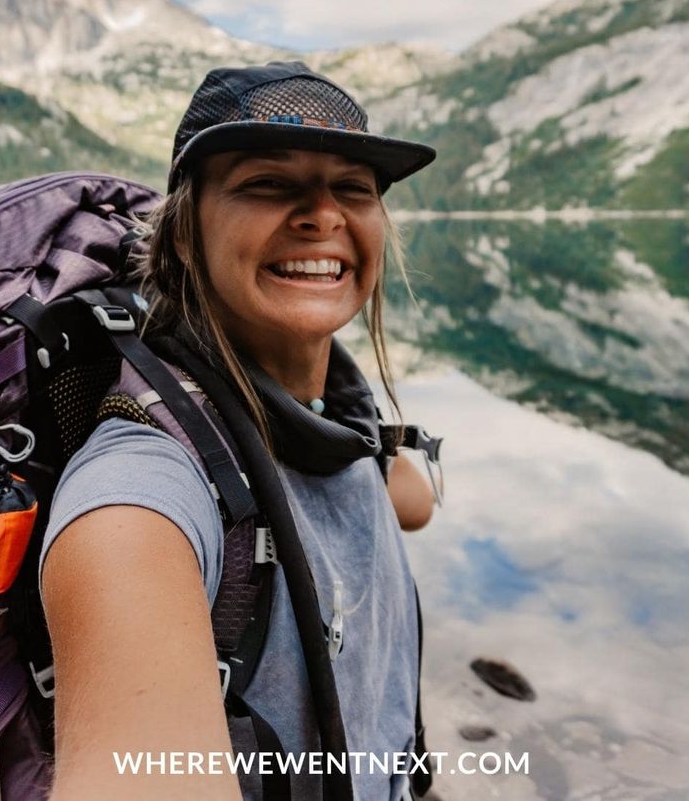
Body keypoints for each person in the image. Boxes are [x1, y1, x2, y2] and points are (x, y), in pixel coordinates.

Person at [40, 61, 438, 801]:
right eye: (268, 184)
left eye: (353, 188)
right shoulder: (136, 503)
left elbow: (408, 500)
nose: (323, 214)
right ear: (185, 237)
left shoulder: (340, 428)